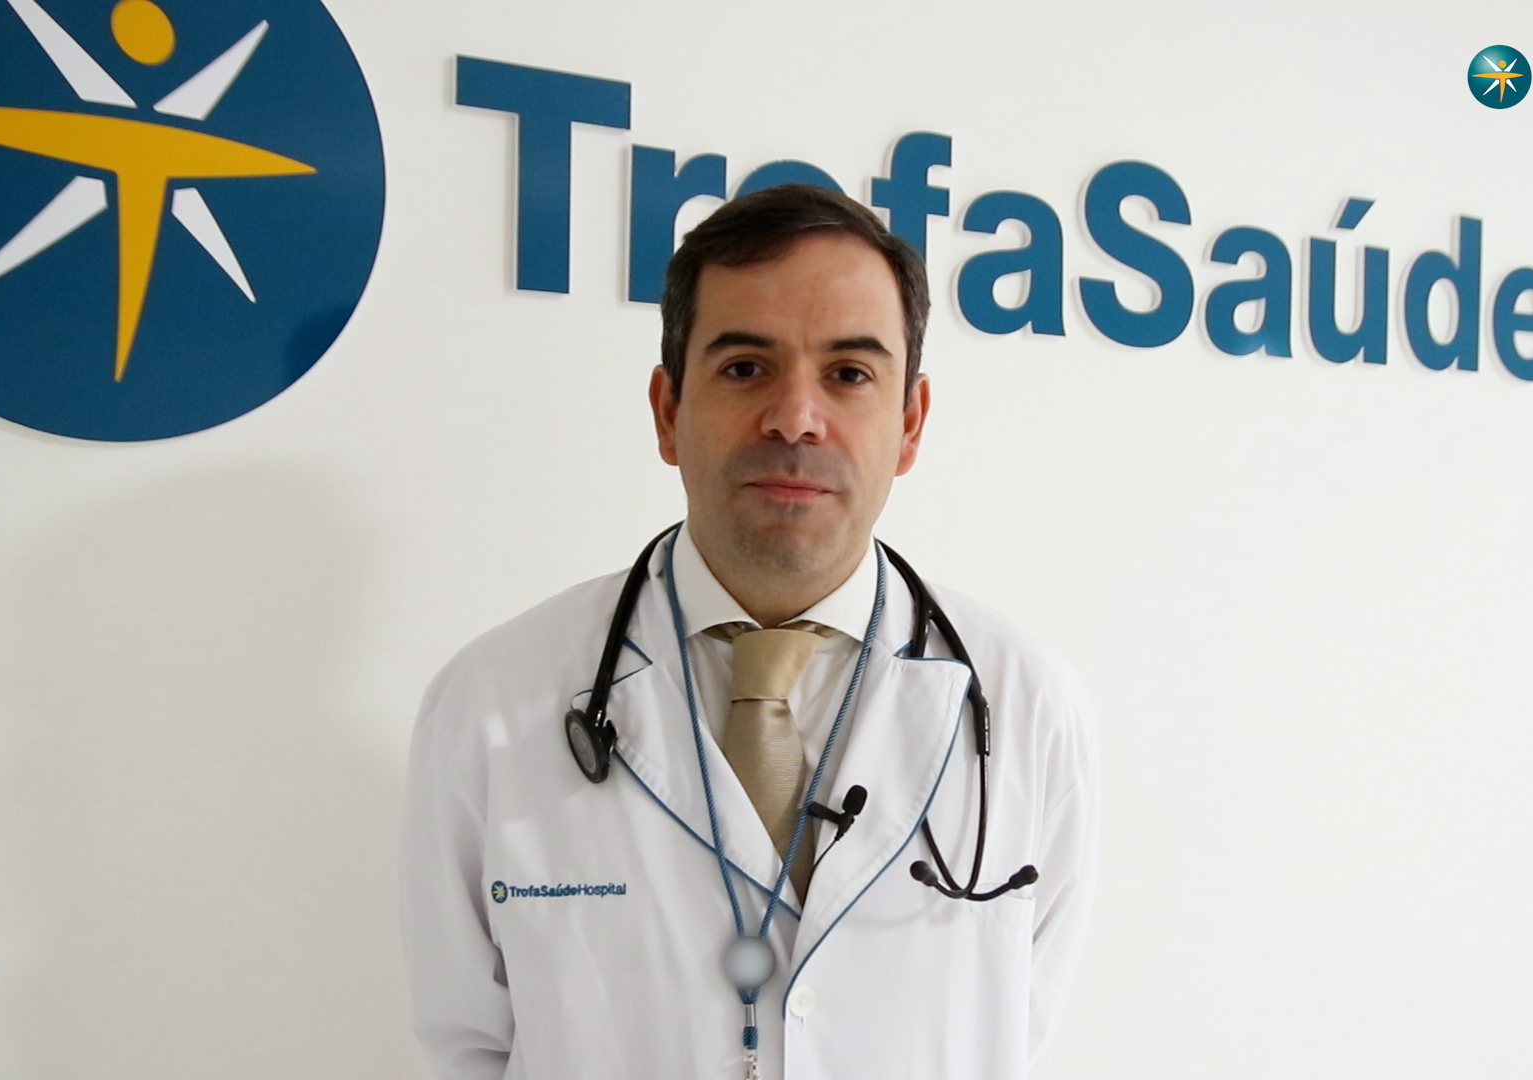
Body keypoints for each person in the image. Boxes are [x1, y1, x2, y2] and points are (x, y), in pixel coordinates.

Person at [400, 184, 1100, 1080]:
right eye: (744, 368)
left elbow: (1020, 1027)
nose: (795, 418)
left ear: (910, 423)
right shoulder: (493, 701)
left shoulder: (1027, 704)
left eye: (849, 374)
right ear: (668, 411)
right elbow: (466, 1045)